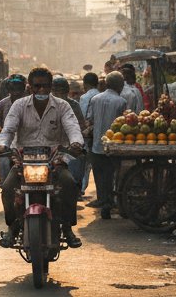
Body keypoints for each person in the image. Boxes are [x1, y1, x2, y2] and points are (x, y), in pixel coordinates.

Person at [0, 66, 84, 248]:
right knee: (8, 188)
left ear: (51, 87)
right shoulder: (19, 106)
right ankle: (12, 227)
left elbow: (72, 126)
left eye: (45, 86)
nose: (41, 90)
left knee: (69, 185)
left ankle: (67, 227)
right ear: (30, 87)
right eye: (37, 86)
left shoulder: (62, 106)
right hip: (23, 160)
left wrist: (76, 143)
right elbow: (8, 128)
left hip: (55, 160)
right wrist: (2, 144)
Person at [84, 72, 129, 218]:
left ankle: (103, 200)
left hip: (96, 145)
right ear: (120, 86)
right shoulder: (121, 101)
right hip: (113, 146)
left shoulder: (95, 99)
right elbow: (124, 125)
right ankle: (108, 203)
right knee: (111, 175)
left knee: (99, 175)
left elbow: (89, 119)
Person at [0, 74, 27, 184]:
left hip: (29, 142)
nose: (15, 92)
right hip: (8, 143)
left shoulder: (32, 104)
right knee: (3, 161)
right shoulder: (2, 105)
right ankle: (4, 184)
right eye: (13, 88)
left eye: (18, 88)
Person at [53, 76, 87, 189]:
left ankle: (76, 187)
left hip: (69, 145)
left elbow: (81, 125)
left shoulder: (74, 105)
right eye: (57, 92)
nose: (59, 95)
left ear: (67, 92)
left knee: (78, 159)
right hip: (51, 146)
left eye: (62, 92)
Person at [78, 73, 101, 195]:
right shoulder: (101, 96)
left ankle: (82, 188)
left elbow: (82, 116)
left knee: (85, 162)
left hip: (87, 134)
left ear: (85, 85)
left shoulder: (84, 98)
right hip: (100, 133)